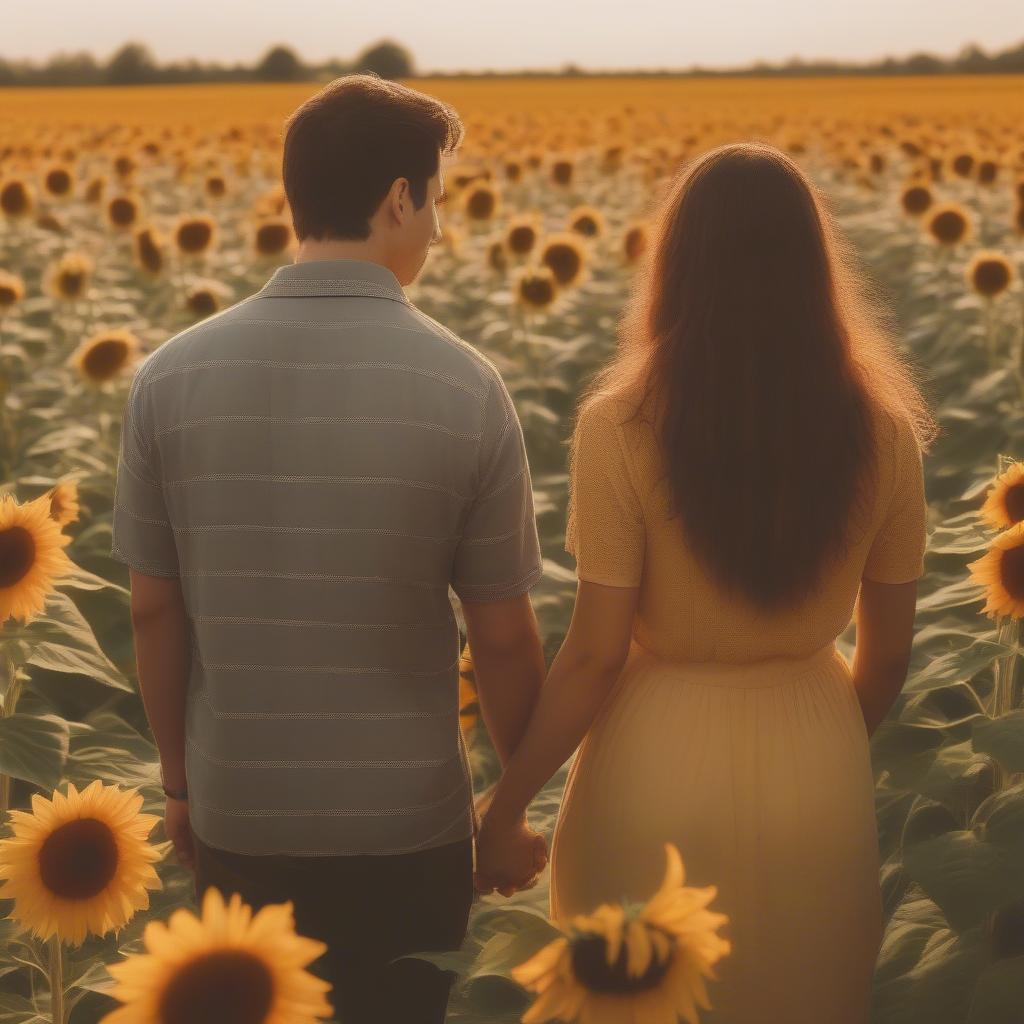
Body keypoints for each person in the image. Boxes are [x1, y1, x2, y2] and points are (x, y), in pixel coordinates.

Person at [110, 73, 547, 1024]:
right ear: (399, 198)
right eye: (435, 201)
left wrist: (179, 789)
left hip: (239, 813)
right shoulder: (467, 388)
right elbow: (504, 638)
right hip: (405, 829)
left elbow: (152, 609)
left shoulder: (167, 379)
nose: (438, 229)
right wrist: (512, 805)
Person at [472, 141, 938, 1023]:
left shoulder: (622, 424)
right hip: (815, 761)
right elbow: (887, 657)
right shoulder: (883, 432)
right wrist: (821, 734)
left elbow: (594, 655)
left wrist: (507, 802)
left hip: (654, 760)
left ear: (676, 265)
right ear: (814, 266)